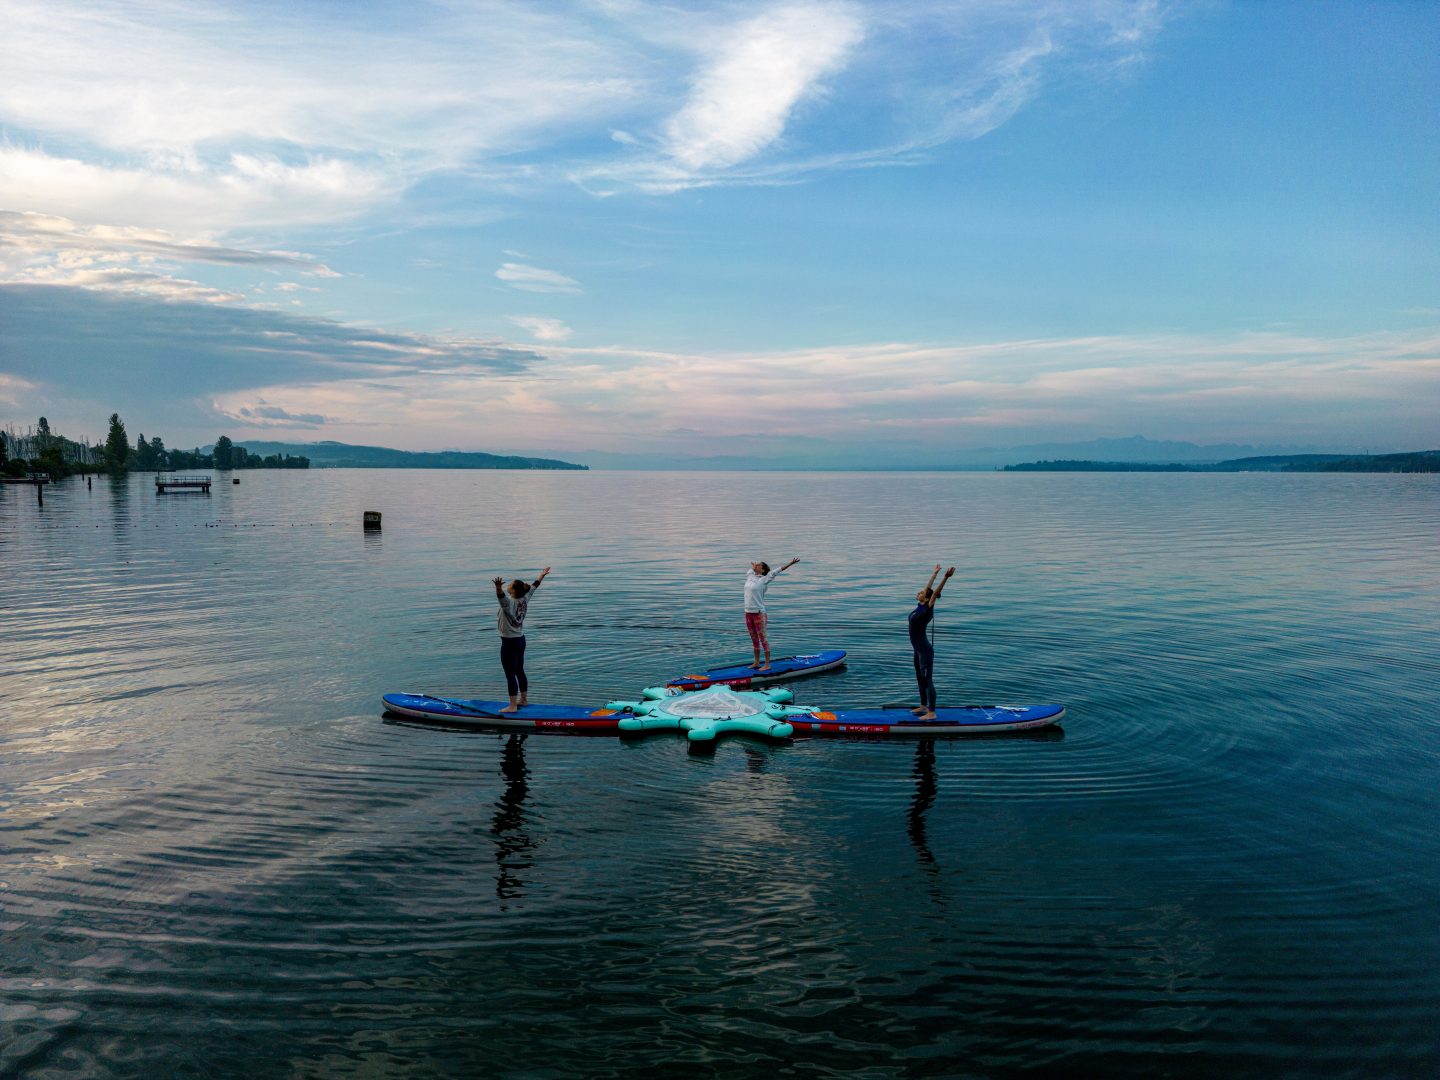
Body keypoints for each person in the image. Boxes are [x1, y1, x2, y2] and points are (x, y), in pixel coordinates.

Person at [493, 566, 551, 712]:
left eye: (510, 585)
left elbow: (500, 596)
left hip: (509, 642)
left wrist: (498, 587)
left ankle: (512, 706)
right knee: (519, 670)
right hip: (520, 639)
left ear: (513, 591)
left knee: (510, 674)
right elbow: (534, 586)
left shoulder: (508, 603)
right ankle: (523, 700)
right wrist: (541, 575)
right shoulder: (525, 598)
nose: (507, 586)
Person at [909, 564, 955, 721]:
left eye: (922, 593)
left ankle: (932, 712)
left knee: (927, 679)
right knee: (919, 677)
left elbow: (934, 592)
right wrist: (934, 573)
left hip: (924, 650)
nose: (919, 592)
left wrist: (945, 578)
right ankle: (923, 705)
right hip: (917, 649)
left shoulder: (927, 608)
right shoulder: (919, 605)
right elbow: (928, 588)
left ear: (927, 598)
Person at [744, 557, 799, 670]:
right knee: (754, 639)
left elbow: (778, 570)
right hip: (748, 613)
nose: (756, 565)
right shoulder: (750, 575)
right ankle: (756, 662)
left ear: (763, 570)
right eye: (756, 564)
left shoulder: (765, 579)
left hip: (759, 614)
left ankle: (767, 665)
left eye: (759, 565)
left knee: (763, 639)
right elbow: (751, 570)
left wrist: (790, 563)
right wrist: (753, 568)